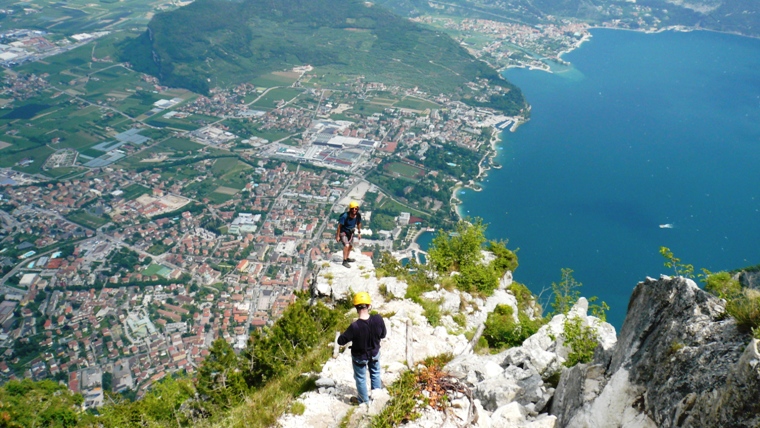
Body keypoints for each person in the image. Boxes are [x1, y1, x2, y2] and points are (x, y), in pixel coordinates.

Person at [338, 292, 386, 405]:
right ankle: (377, 399)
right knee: (375, 373)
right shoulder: (378, 319)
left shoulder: (355, 326)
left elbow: (341, 341)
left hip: (360, 356)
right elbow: (383, 334)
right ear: (369, 306)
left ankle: (364, 401)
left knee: (361, 378)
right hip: (374, 353)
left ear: (356, 308)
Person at [336, 201, 362, 268]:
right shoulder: (345, 216)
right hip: (343, 232)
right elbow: (339, 226)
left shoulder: (358, 215)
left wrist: (359, 232)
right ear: (350, 209)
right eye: (352, 208)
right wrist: (338, 236)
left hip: (350, 233)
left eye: (356, 209)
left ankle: (347, 258)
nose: (354, 210)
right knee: (347, 245)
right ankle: (344, 261)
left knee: (350, 246)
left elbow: (358, 223)